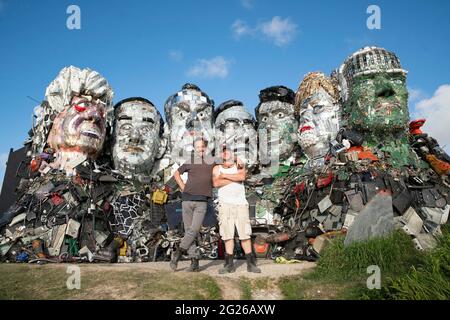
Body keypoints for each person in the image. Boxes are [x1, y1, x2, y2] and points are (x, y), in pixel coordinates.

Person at [212, 146, 261, 274]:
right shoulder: (217, 168)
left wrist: (224, 176)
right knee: (228, 235)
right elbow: (216, 183)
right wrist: (233, 176)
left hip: (240, 204)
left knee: (245, 234)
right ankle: (229, 264)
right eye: (223, 151)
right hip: (225, 204)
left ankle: (251, 264)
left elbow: (242, 177)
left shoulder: (239, 164)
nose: (225, 153)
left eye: (228, 150)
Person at [170, 138, 215, 272]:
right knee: (190, 231)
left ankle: (178, 253)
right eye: (197, 147)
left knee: (194, 230)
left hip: (202, 201)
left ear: (206, 148)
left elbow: (227, 162)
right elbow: (176, 173)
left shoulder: (212, 160)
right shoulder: (190, 161)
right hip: (187, 200)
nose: (200, 149)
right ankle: (194, 262)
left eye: (202, 147)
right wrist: (183, 187)